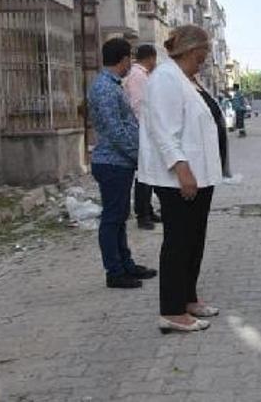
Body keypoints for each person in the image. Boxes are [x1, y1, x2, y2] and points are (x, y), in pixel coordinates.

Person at [138, 25, 223, 333]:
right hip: (178, 178)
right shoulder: (165, 78)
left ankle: (188, 298)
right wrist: (182, 169)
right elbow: (163, 130)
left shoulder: (186, 79)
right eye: (205, 50)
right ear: (191, 49)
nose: (206, 56)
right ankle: (172, 310)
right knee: (178, 242)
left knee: (194, 240)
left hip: (199, 175)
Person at [88, 38, 157, 289]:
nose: (131, 63)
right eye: (130, 59)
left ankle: (125, 264)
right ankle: (115, 272)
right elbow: (115, 130)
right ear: (124, 59)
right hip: (112, 162)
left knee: (119, 217)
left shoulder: (112, 85)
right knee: (112, 218)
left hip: (119, 162)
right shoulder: (105, 88)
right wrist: (137, 154)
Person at [123, 44, 162, 230]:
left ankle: (148, 210)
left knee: (149, 173)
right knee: (144, 175)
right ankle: (143, 214)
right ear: (151, 58)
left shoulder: (142, 75)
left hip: (145, 130)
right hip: (142, 131)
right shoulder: (138, 76)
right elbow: (138, 105)